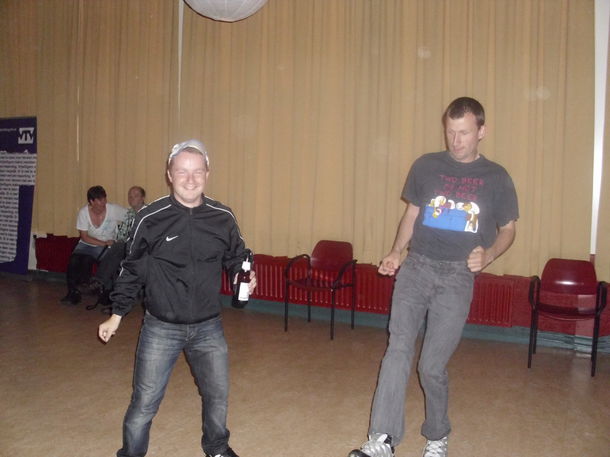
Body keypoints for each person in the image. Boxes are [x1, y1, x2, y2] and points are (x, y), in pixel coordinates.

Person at [348, 97, 518, 457]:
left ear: (482, 131)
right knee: (398, 350)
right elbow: (412, 214)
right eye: (450, 132)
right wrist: (396, 251)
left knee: (431, 366)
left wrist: (489, 254)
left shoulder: (497, 177)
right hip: (418, 266)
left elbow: (508, 229)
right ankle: (382, 438)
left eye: (464, 133)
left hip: (457, 276)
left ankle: (438, 434)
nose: (456, 141)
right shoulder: (426, 166)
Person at [98, 139, 256, 457]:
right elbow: (132, 269)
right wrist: (117, 314)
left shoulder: (222, 216)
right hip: (161, 326)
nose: (190, 179)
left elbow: (237, 257)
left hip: (208, 326)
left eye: (197, 171)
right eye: (182, 171)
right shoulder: (151, 218)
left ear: (207, 173)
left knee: (217, 395)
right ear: (169, 175)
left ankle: (216, 448)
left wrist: (244, 275)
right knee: (144, 402)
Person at [60, 185, 127, 305]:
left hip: (107, 245)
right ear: (91, 201)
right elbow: (84, 237)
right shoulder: (83, 213)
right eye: (100, 200)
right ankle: (73, 293)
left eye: (104, 199)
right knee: (74, 261)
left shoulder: (112, 209)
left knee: (106, 261)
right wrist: (103, 243)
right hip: (88, 243)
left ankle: (104, 293)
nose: (104, 203)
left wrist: (122, 236)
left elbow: (131, 217)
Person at [89, 185, 146, 308]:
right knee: (117, 251)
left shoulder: (148, 214)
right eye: (130, 196)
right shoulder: (129, 213)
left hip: (142, 250)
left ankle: (99, 281)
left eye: (135, 196)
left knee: (119, 249)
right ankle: (113, 300)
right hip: (127, 248)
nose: (132, 198)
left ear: (142, 198)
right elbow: (122, 235)